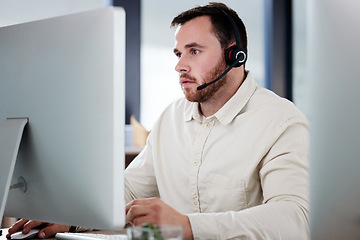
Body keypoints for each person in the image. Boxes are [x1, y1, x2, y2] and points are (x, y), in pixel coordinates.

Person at [7, 2, 309, 239]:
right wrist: (73, 217)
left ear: (234, 56)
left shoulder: (281, 122)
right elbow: (129, 191)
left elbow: (296, 219)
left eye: (194, 51)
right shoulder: (171, 118)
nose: (179, 65)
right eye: (178, 53)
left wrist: (189, 227)